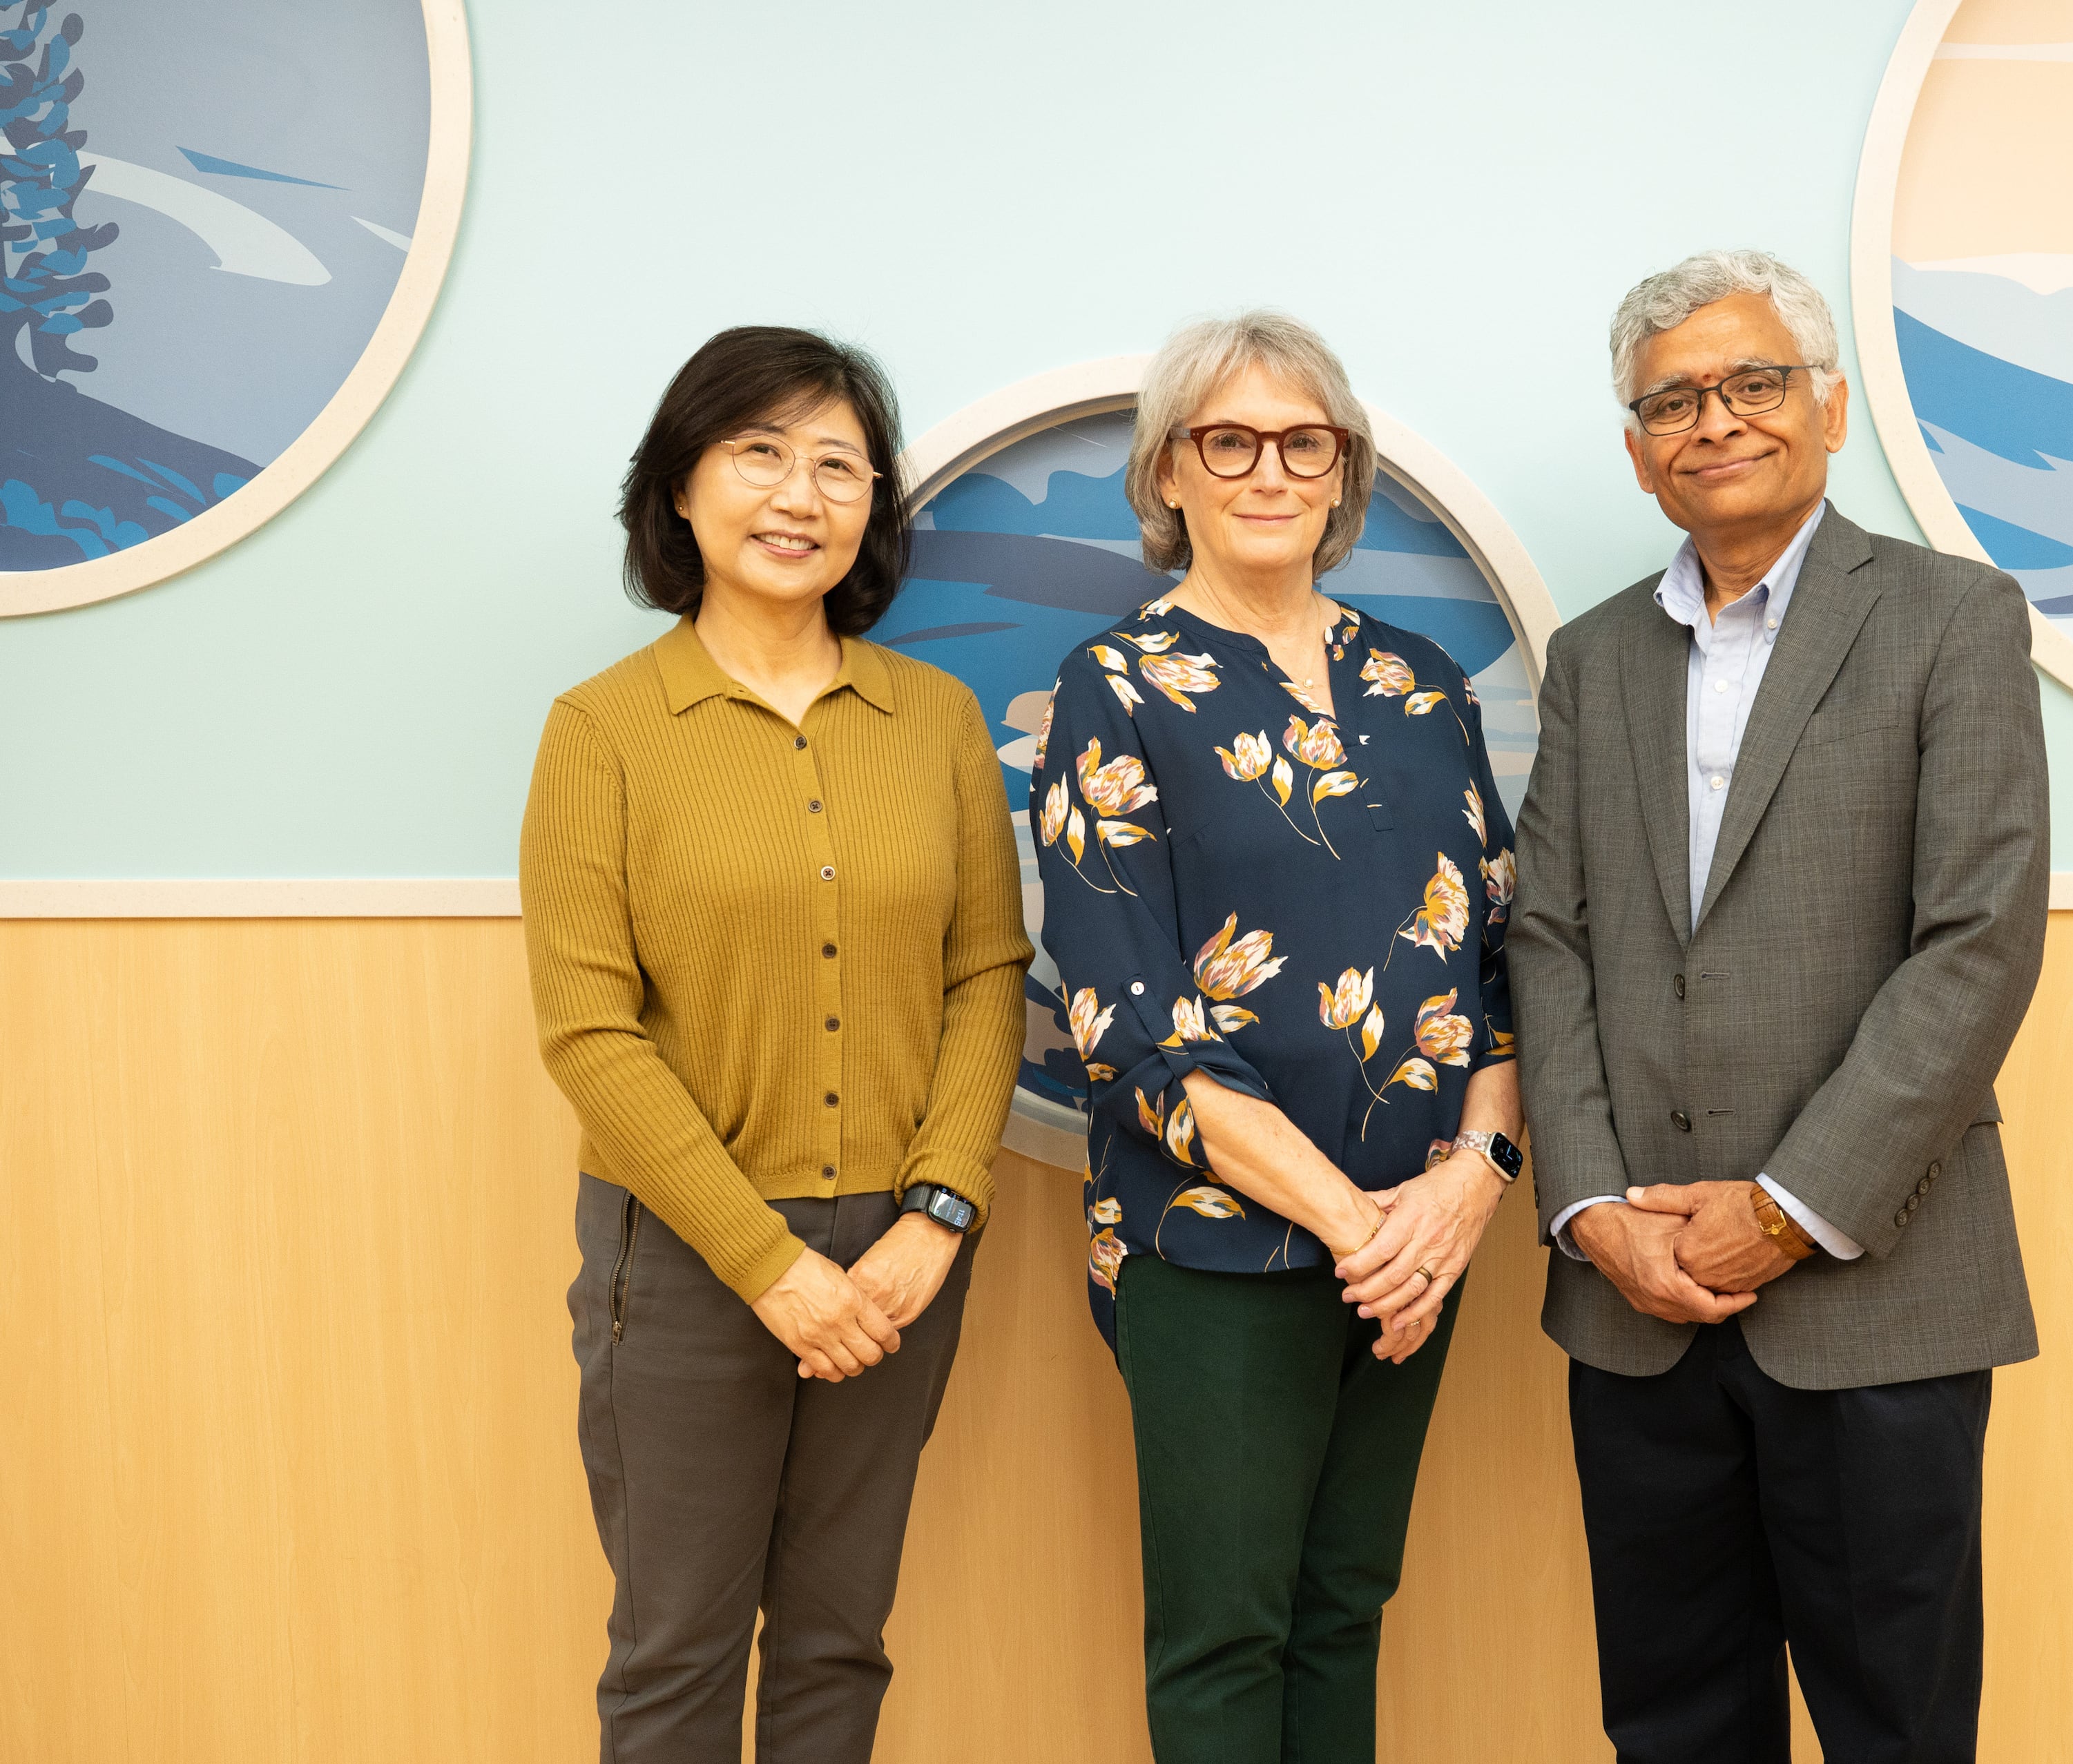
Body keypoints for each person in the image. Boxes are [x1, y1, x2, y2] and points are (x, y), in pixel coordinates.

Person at [1507, 250, 2050, 1763]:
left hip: (1878, 1290)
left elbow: (1978, 944)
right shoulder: (1594, 657)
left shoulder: (1952, 617)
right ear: (1639, 452)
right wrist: (1591, 1209)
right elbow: (1548, 937)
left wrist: (1789, 1208)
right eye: (1674, 401)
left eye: (1755, 383)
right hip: (1636, 1301)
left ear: (1830, 409)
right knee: (1673, 1727)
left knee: (1896, 1731)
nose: (1717, 420)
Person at [519, 325, 1032, 1761]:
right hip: (684, 1259)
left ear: (873, 505)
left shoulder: (936, 720)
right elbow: (589, 1033)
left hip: (899, 1259)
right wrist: (768, 1266)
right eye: (758, 453)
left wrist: (937, 1216)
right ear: (680, 489)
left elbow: (987, 975)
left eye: (837, 465)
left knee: (837, 1642)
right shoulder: (601, 730)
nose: (798, 495)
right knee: (674, 1655)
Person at [1031, 310, 1525, 1764]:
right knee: (1227, 1637)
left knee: (1342, 1611)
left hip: (1420, 1243)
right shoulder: (1115, 687)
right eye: (1229, 440)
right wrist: (1364, 1232)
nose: (1269, 472)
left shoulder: (1425, 685)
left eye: (1304, 443)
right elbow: (1133, 1029)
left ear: (1344, 471)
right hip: (1218, 1249)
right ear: (1168, 472)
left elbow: (1499, 966)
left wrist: (1471, 1184)